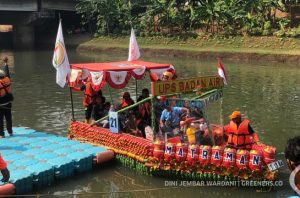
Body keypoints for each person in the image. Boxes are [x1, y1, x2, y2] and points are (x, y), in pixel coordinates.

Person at [0, 70, 13, 137]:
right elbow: (7, 73)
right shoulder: (7, 79)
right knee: (8, 119)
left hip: (1, 105)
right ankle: (10, 132)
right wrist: (6, 64)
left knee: (0, 120)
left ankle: (2, 134)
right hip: (8, 103)